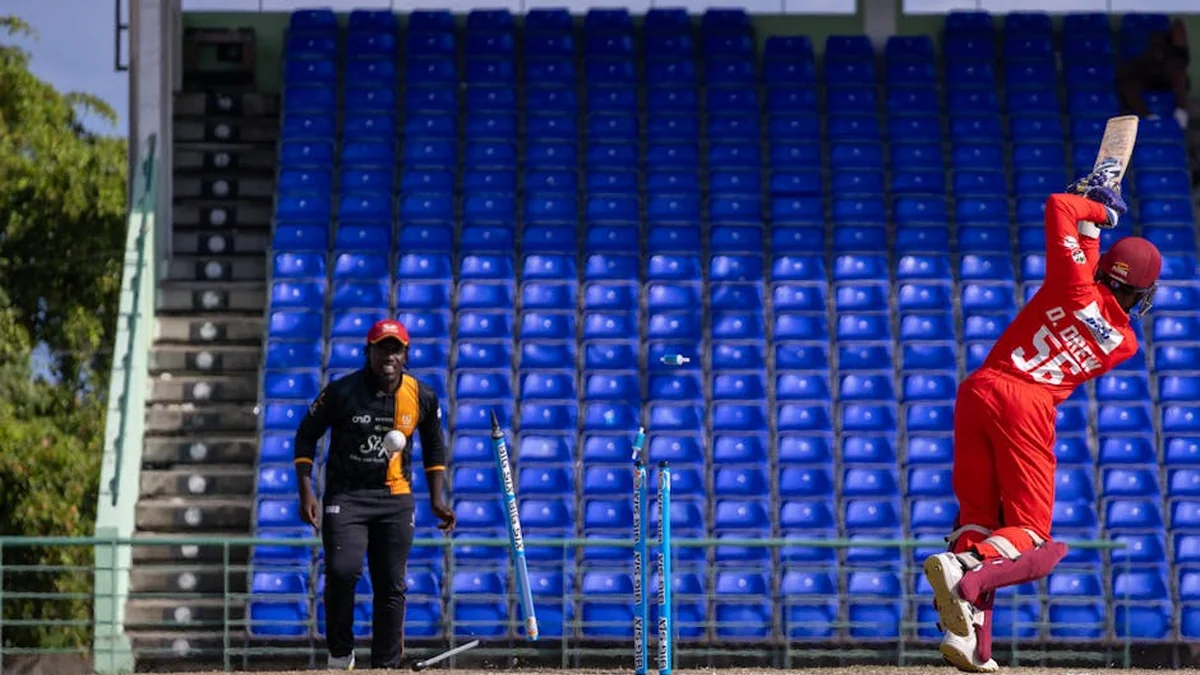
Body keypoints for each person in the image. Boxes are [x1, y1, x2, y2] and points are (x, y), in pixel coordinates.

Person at [924, 158, 1163, 673]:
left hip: (979, 390)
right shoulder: (1123, 343)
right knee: (1033, 538)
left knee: (979, 521)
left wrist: (1095, 211)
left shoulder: (1071, 284)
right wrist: (1097, 218)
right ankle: (965, 565)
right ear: (1141, 294)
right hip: (1028, 405)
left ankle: (969, 642)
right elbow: (1092, 282)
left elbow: (1059, 207)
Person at [293, 318, 456, 670]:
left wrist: (437, 499)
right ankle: (341, 653)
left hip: (395, 499)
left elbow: (434, 446)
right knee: (342, 571)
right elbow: (305, 435)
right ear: (368, 352)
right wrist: (306, 491)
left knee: (391, 584)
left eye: (396, 349)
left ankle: (386, 664)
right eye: (382, 348)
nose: (389, 356)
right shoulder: (342, 392)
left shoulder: (422, 396)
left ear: (405, 355)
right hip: (347, 496)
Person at [1116, 18, 1190, 130]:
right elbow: (1125, 75)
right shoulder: (1139, 62)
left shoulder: (1176, 56)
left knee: (1179, 76)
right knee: (1129, 85)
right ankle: (1148, 117)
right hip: (1144, 80)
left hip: (1166, 80)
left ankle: (1181, 111)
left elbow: (1180, 64)